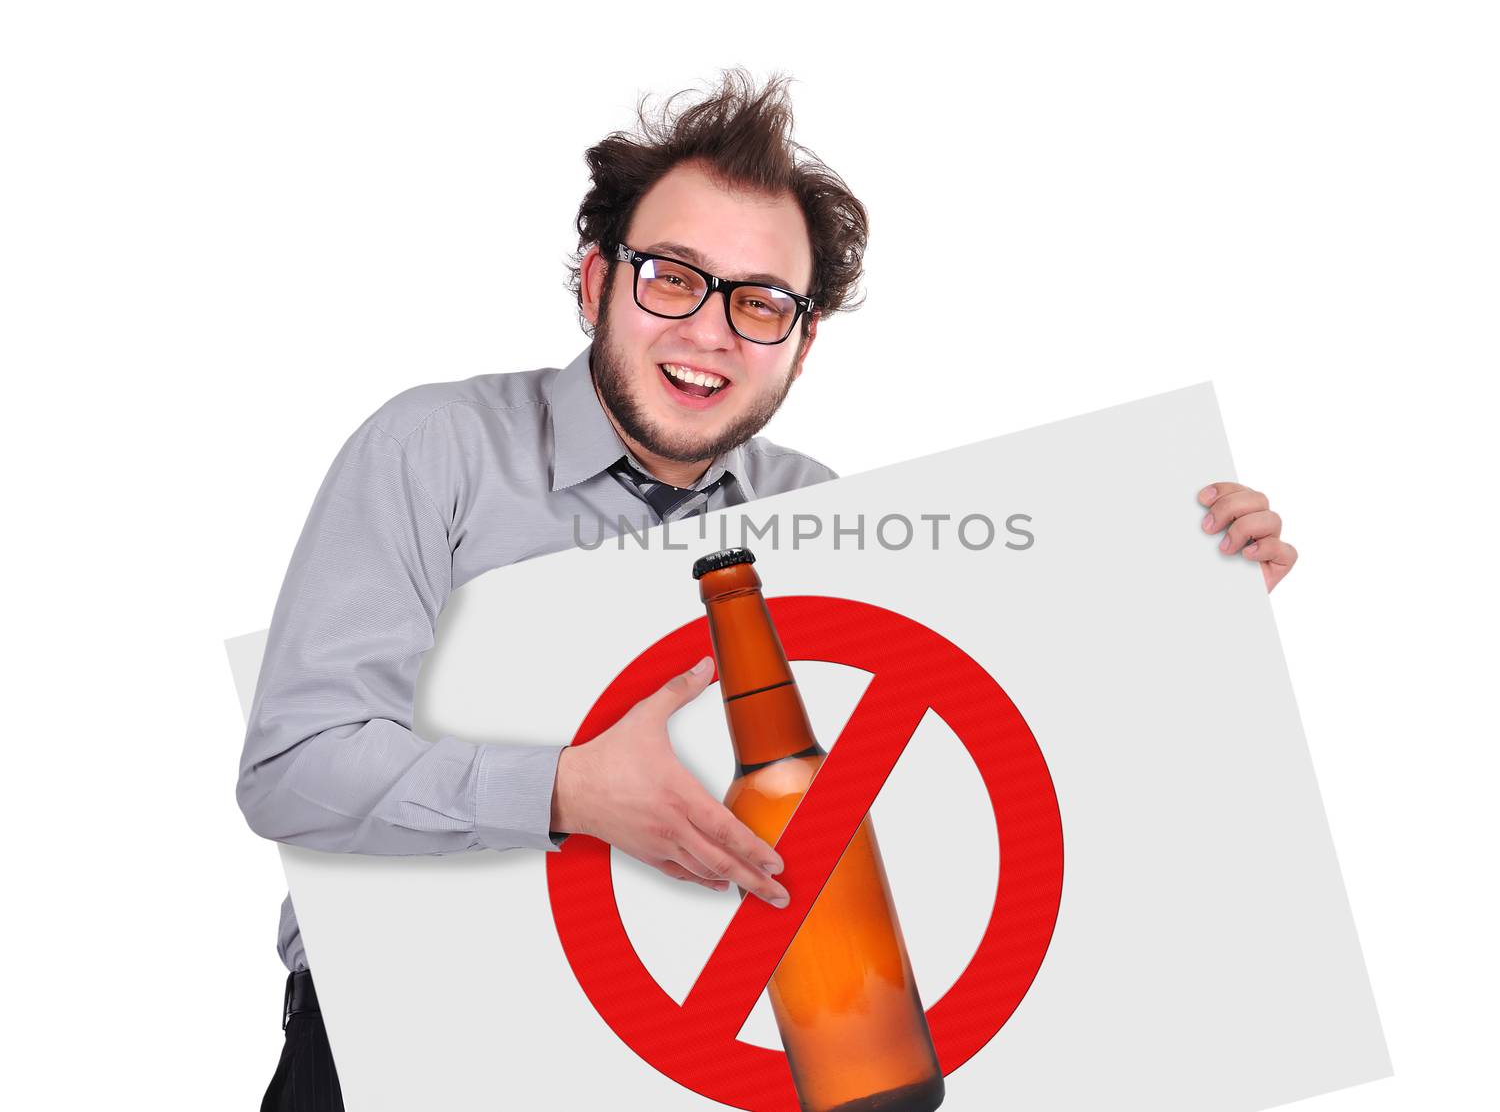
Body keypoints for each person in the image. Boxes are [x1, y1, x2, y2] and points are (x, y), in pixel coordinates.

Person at [236, 69, 1298, 1111]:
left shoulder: (826, 519)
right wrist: (565, 791)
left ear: (801, 342)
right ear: (598, 282)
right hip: (406, 1044)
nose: (709, 331)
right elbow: (291, 770)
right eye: (671, 277)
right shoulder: (439, 449)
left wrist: (1193, 599)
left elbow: (977, 759)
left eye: (759, 303)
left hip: (685, 1071)